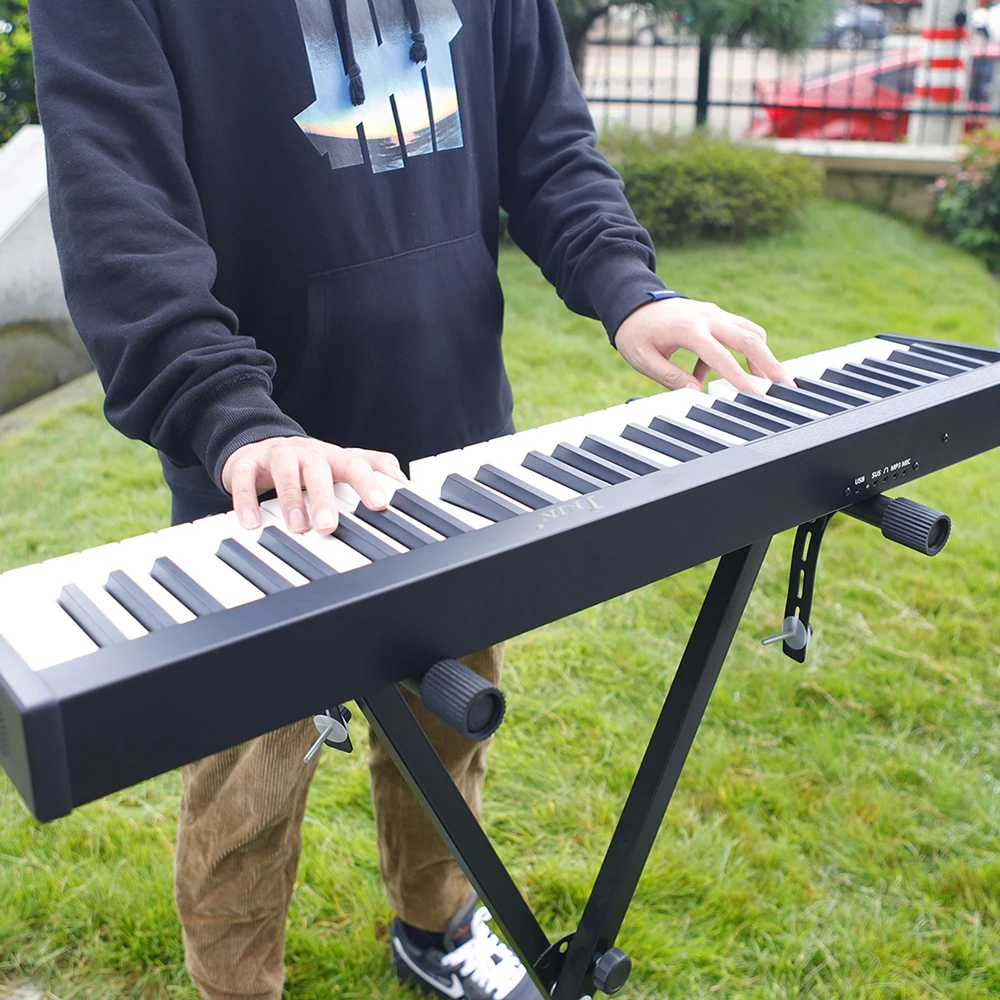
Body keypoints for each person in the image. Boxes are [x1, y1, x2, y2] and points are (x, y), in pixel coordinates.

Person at [30, 0, 788, 997]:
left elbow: (548, 145)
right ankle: (234, 985)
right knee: (244, 785)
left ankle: (436, 929)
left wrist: (629, 286)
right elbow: (119, 216)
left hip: (449, 447)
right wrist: (231, 415)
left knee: (450, 731)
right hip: (261, 483)